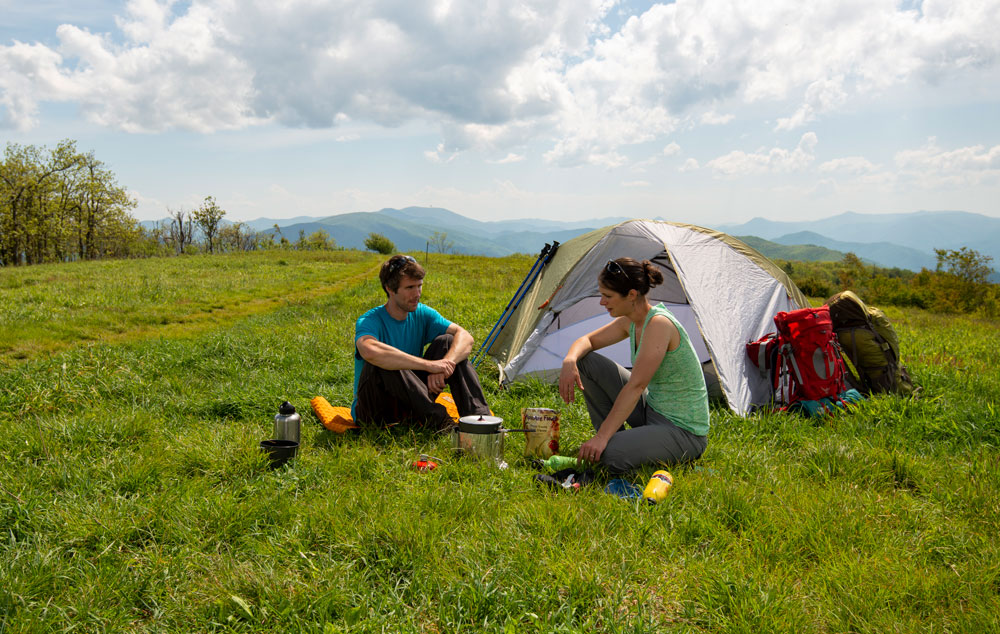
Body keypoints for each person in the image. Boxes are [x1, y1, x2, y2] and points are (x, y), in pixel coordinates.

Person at [558, 257, 709, 473]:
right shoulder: (631, 320)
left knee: (608, 455)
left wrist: (602, 438)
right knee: (585, 361)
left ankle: (607, 444)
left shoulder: (658, 324)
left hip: (683, 432)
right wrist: (569, 360)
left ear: (631, 295)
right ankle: (612, 441)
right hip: (653, 411)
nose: (602, 302)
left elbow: (636, 386)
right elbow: (587, 342)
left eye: (608, 296)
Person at [353, 254, 491, 429]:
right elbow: (370, 351)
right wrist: (429, 366)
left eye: (419, 286)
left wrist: (445, 364)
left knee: (448, 341)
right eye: (409, 287)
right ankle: (442, 423)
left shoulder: (422, 313)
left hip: (413, 401)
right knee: (384, 361)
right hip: (375, 412)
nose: (417, 294)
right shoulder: (370, 320)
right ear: (389, 288)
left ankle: (480, 421)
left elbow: (465, 337)